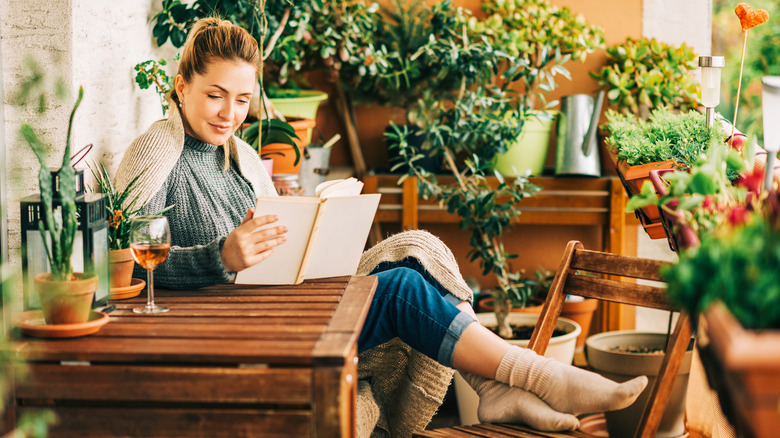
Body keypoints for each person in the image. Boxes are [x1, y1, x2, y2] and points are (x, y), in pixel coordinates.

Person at [115, 17, 647, 437]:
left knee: (414, 252)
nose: (229, 112)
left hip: (278, 307)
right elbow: (124, 262)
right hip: (233, 328)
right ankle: (530, 377)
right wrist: (220, 257)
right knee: (400, 289)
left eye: (242, 99)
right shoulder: (160, 146)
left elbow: (276, 250)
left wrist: (307, 227)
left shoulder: (245, 157)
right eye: (214, 95)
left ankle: (496, 383)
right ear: (180, 85)